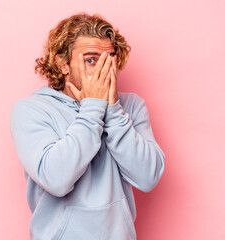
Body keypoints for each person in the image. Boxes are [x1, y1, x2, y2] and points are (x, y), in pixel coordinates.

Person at [10, 12, 165, 240]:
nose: (104, 70)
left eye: (109, 59)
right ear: (62, 64)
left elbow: (148, 177)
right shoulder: (31, 110)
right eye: (91, 60)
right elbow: (56, 179)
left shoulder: (131, 106)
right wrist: (93, 108)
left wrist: (112, 110)